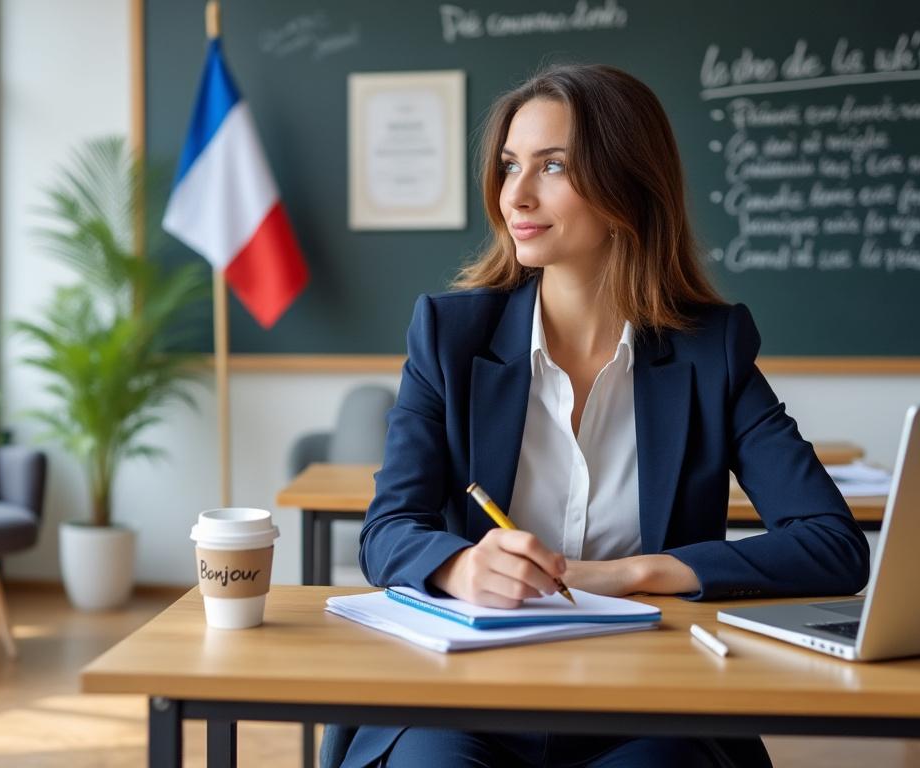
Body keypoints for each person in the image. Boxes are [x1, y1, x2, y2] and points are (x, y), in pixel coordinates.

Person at [342, 64, 870, 768]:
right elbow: (387, 533)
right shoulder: (449, 337)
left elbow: (832, 544)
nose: (515, 196)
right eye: (509, 166)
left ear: (628, 187)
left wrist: (633, 575)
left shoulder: (710, 350)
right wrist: (461, 565)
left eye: (553, 166)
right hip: (465, 695)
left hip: (647, 701)